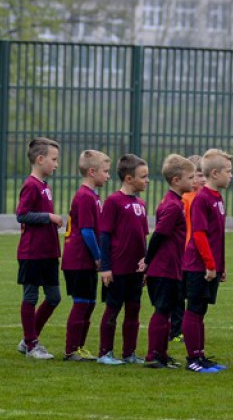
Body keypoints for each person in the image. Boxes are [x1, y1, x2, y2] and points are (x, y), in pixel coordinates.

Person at [180, 148, 233, 373]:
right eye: (228, 172)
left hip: (210, 266)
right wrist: (210, 265)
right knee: (194, 309)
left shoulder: (217, 197)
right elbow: (199, 234)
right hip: (197, 266)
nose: (231, 176)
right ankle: (193, 359)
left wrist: (221, 265)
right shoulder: (202, 199)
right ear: (214, 174)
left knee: (201, 311)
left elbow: (217, 236)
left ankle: (201, 356)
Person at [143, 154, 197, 369]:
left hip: (172, 265)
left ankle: (162, 355)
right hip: (164, 267)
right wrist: (147, 262)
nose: (194, 181)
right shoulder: (173, 206)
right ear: (176, 180)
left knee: (166, 310)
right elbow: (159, 235)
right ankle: (153, 355)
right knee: (162, 309)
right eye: (190, 177)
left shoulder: (175, 202)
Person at [96, 154, 150, 365]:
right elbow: (105, 236)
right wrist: (106, 268)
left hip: (135, 270)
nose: (147, 180)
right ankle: (105, 353)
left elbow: (143, 237)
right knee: (113, 309)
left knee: (134, 310)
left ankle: (129, 353)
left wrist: (146, 264)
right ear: (128, 178)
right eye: (143, 176)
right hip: (117, 269)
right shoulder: (113, 202)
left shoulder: (141, 203)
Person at [15, 137, 63, 360]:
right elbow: (22, 215)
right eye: (53, 159)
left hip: (48, 252)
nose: (56, 164)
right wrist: (49, 217)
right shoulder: (31, 185)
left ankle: (28, 339)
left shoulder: (44, 186)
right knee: (31, 296)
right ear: (40, 159)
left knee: (54, 297)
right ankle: (32, 345)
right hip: (32, 252)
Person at [62, 149, 111, 362]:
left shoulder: (93, 196)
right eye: (105, 171)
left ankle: (79, 347)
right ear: (92, 172)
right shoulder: (83, 196)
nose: (108, 176)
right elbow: (87, 231)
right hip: (79, 259)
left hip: (87, 260)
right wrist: (99, 256)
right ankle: (71, 350)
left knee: (90, 303)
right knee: (81, 303)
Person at [169, 154, 206, 342]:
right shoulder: (185, 199)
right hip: (183, 252)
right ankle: (176, 329)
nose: (200, 179)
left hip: (194, 254)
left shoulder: (203, 198)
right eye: (196, 175)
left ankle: (188, 327)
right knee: (178, 294)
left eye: (201, 175)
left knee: (193, 296)